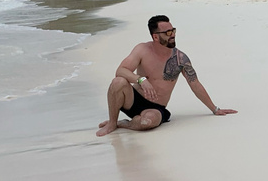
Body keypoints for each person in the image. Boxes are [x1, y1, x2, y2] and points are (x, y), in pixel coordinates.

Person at [96, 15, 236, 136]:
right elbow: (121, 70)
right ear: (155, 36)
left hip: (155, 108)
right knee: (118, 82)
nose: (173, 35)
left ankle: (125, 124)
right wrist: (141, 80)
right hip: (133, 100)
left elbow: (195, 84)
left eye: (173, 30)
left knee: (147, 122)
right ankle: (112, 123)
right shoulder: (142, 50)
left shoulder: (180, 59)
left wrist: (215, 109)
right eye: (168, 32)